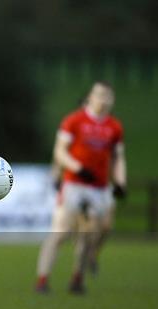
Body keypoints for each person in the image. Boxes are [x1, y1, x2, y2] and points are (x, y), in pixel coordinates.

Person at [35, 81, 127, 294]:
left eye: (108, 96)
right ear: (91, 97)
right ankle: (42, 279)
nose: (104, 99)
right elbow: (60, 152)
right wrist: (75, 168)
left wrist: (121, 182)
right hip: (74, 184)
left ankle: (78, 277)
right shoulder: (74, 120)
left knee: (92, 232)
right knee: (60, 232)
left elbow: (118, 158)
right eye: (100, 95)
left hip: (100, 188)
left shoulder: (114, 127)